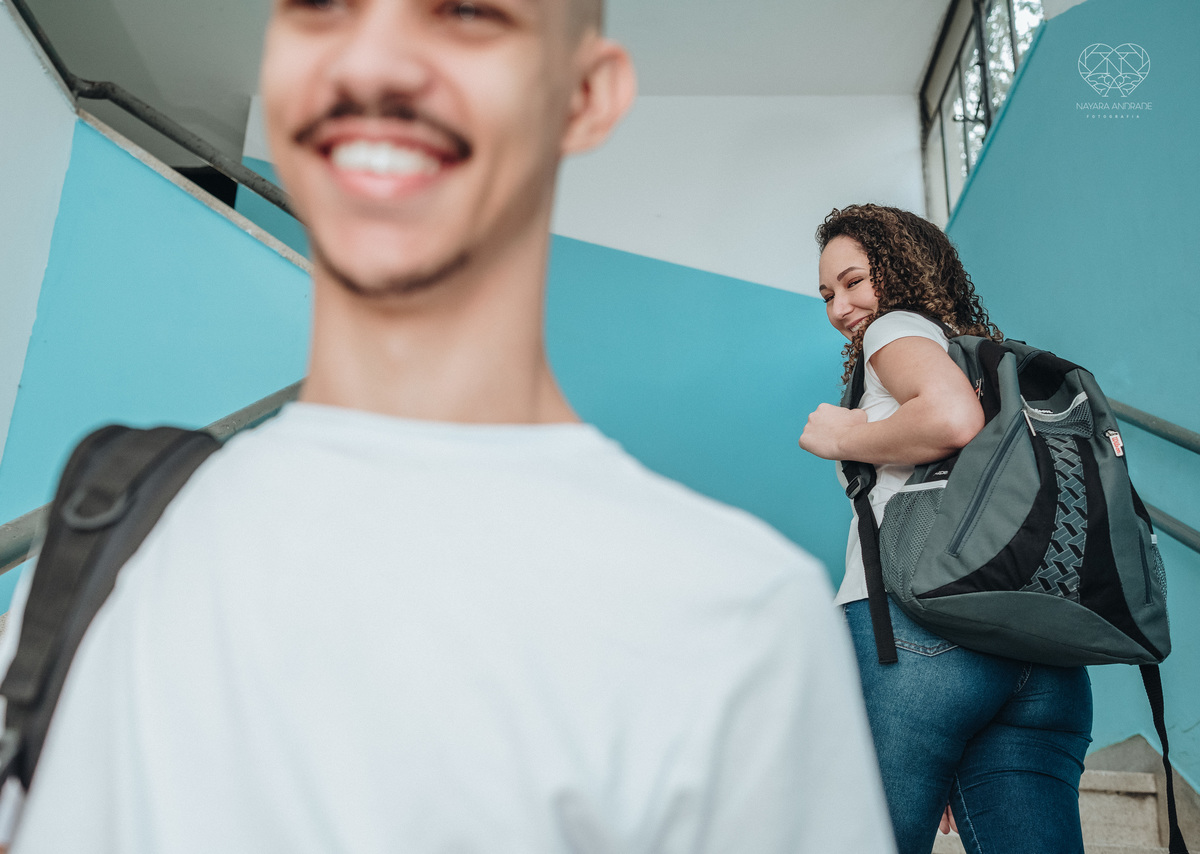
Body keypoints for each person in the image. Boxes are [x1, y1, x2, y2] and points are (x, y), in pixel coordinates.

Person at [0, 2, 895, 851]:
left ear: (583, 96)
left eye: (466, 11)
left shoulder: (739, 623)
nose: (372, 60)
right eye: (325, 6)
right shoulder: (104, 529)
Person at [798, 204, 1094, 854]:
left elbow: (952, 420)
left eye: (853, 281)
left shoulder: (894, 331)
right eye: (826, 293)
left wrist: (848, 432)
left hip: (916, 638)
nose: (839, 306)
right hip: (1039, 654)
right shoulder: (985, 364)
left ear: (900, 269)